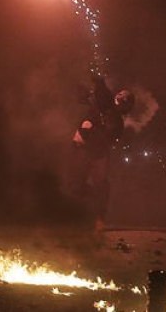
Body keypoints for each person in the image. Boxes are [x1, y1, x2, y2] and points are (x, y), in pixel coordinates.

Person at [68, 74, 134, 230]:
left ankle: (97, 219)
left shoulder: (116, 121)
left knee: (101, 186)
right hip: (81, 148)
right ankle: (78, 217)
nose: (120, 95)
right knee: (76, 185)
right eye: (121, 93)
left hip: (96, 153)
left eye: (125, 97)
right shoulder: (101, 103)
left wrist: (92, 131)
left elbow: (108, 138)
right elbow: (92, 93)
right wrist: (94, 79)